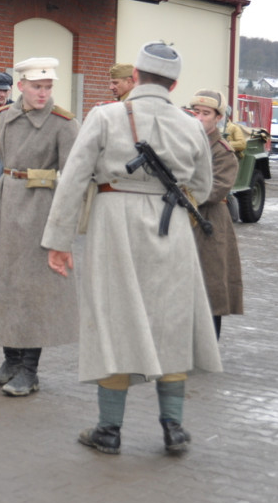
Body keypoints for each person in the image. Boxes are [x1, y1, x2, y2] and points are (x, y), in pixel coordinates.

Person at [42, 41, 222, 455]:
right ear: (174, 83)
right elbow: (204, 187)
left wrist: (58, 241)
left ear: (135, 76)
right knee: (172, 323)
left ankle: (109, 431)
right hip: (170, 224)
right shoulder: (192, 124)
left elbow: (73, 180)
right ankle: (173, 427)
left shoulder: (105, 116)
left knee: (113, 321)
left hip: (114, 223)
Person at [0, 58, 79, 396]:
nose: (43, 94)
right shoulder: (4, 118)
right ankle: (10, 359)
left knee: (33, 293)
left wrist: (63, 229)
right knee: (4, 285)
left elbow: (74, 181)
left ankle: (29, 370)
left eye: (48, 88)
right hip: (5, 207)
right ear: (21, 87)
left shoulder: (63, 123)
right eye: (37, 87)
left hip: (40, 213)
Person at [188, 89, 244, 339]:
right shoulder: (184, 143)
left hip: (209, 222)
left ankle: (209, 344)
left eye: (206, 113)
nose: (199, 118)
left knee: (211, 284)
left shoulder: (223, 152)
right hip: (183, 219)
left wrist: (180, 191)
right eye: (196, 112)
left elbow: (213, 190)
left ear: (218, 117)